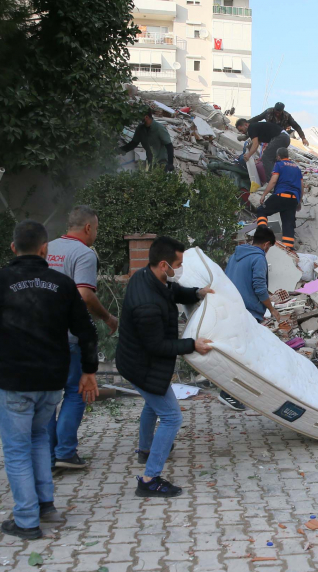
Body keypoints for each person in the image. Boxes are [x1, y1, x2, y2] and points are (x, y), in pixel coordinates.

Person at [0, 220, 100, 540]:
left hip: (15, 380)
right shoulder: (63, 284)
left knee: (17, 450)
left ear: (13, 248)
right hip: (52, 381)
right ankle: (46, 507)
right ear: (45, 249)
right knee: (39, 439)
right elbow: (87, 330)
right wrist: (89, 371)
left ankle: (26, 520)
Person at [115, 236, 214, 498]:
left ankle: (146, 449)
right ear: (163, 264)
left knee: (153, 404)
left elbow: (173, 291)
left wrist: (197, 293)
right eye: (177, 264)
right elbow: (157, 345)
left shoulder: (149, 276)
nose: (179, 269)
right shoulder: (146, 304)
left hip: (137, 361)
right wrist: (193, 344)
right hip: (141, 365)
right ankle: (149, 479)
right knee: (171, 417)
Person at [45, 205, 118, 470]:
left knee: (48, 398)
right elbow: (85, 296)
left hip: (41, 336)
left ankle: (48, 456)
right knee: (76, 392)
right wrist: (108, 317)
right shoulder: (83, 254)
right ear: (88, 228)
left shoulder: (46, 249)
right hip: (69, 336)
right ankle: (65, 452)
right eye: (96, 229)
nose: (96, 234)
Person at [220, 226, 280, 411]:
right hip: (248, 313)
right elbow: (259, 287)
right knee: (245, 355)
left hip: (230, 308)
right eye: (269, 249)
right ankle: (228, 394)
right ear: (267, 244)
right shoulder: (258, 258)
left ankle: (230, 391)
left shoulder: (235, 255)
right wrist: (272, 309)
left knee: (235, 352)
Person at [254, 147, 303, 249]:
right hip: (293, 199)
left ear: (278, 156)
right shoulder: (297, 168)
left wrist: (264, 194)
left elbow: (273, 181)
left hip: (281, 195)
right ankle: (289, 249)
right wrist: (299, 201)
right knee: (288, 224)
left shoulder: (279, 164)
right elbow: (301, 186)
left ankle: (262, 235)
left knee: (261, 210)